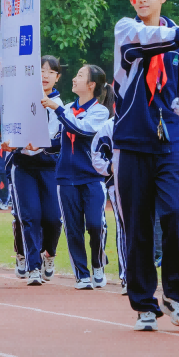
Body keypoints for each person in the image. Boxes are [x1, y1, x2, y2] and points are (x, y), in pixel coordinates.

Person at [110, 0, 179, 331]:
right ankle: (144, 304)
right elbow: (148, 40)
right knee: (137, 225)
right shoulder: (128, 30)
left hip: (170, 141)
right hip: (131, 141)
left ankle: (175, 294)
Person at [0, 56, 64, 287]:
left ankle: (49, 254)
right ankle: (32, 266)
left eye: (50, 72)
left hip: (50, 168)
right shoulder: (21, 99)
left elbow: (60, 139)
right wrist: (9, 141)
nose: (45, 75)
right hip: (23, 166)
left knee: (53, 219)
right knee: (30, 216)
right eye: (40, 70)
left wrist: (43, 146)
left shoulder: (60, 106)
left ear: (57, 77)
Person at [42, 64, 114, 289]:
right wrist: (38, 144)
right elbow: (58, 141)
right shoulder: (68, 108)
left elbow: (82, 130)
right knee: (73, 229)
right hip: (65, 177)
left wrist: (58, 109)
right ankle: (81, 275)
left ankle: (98, 263)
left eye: (80, 75)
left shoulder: (100, 112)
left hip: (92, 177)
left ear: (91, 85)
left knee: (95, 225)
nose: (74, 78)